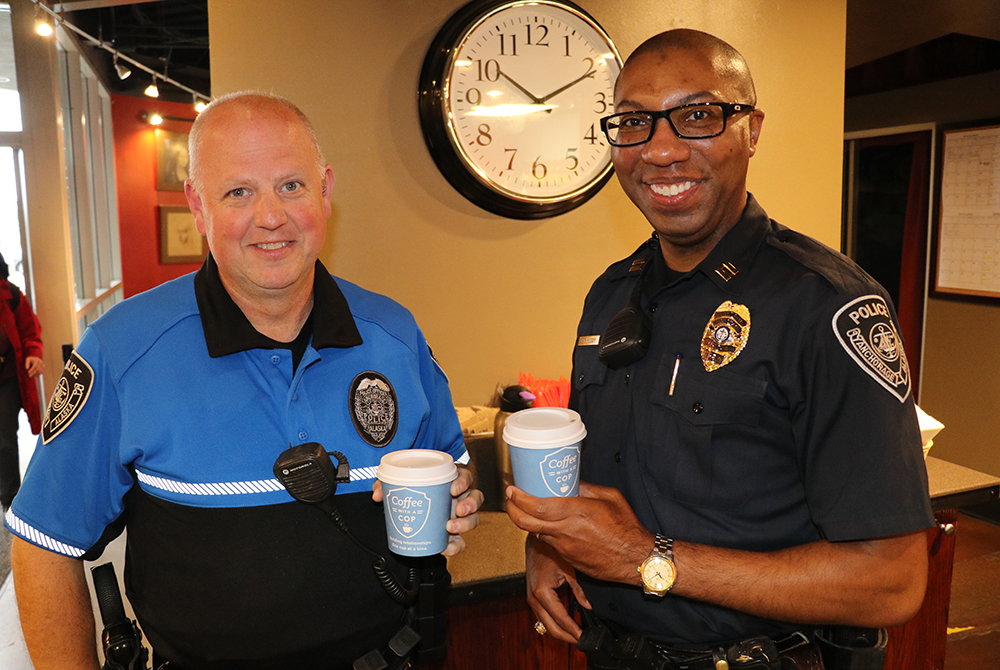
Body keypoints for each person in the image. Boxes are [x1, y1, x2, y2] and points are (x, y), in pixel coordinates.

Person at [7, 91, 483, 670]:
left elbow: (453, 469)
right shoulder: (122, 349)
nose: (271, 217)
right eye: (239, 192)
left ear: (326, 191)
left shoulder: (394, 332)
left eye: (291, 186)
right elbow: (43, 544)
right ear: (198, 206)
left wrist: (459, 499)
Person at [505, 29, 934, 669]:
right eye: (633, 124)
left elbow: (891, 582)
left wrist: (645, 560)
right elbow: (606, 478)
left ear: (752, 130)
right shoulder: (610, 294)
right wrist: (552, 546)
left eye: (698, 116)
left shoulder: (827, 307)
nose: (661, 150)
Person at [0, 253, 44, 511]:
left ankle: (10, 498)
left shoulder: (12, 295)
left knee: (5, 438)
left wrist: (34, 355)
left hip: (7, 378)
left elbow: (31, 332)